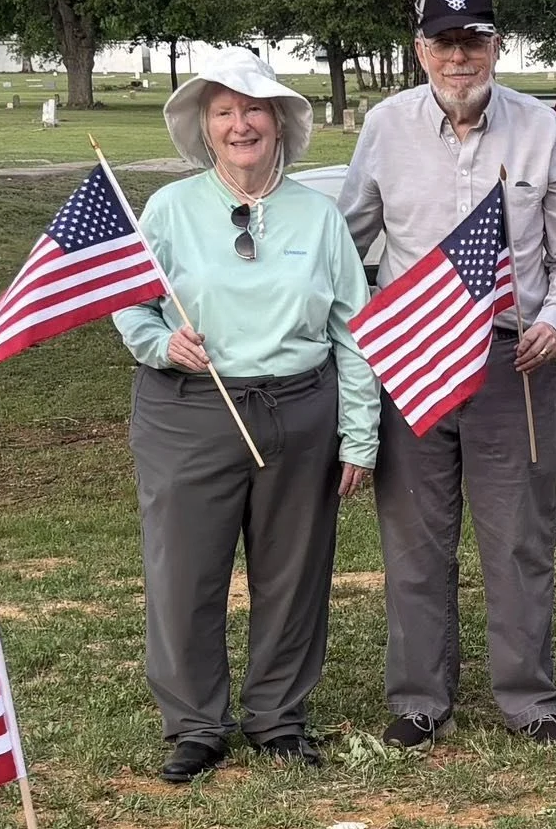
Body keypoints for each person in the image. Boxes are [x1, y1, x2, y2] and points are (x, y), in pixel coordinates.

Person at [338, 0, 556, 748]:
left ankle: (528, 700)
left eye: (474, 40)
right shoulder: (385, 127)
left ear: (496, 45)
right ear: (421, 49)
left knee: (518, 536)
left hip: (512, 362)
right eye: (444, 42)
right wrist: (355, 333)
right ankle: (419, 697)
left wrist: (555, 317)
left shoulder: (540, 127)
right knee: (415, 537)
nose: (460, 57)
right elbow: (347, 243)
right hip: (413, 362)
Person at [113, 47, 377, 782]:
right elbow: (128, 299)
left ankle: (277, 717)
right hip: (189, 410)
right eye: (224, 112)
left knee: (293, 572)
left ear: (280, 123)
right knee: (184, 572)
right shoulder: (168, 210)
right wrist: (162, 341)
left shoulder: (319, 218)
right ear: (204, 127)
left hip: (299, 409)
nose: (240, 125)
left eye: (253, 110)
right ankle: (195, 723)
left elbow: (354, 331)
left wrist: (360, 432)